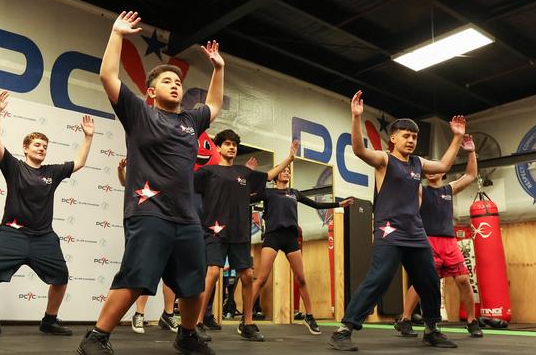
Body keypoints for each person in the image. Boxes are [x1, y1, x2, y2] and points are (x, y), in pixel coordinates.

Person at [77, 10, 224, 355]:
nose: (176, 84)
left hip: (186, 216)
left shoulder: (191, 120)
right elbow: (108, 76)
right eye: (167, 81)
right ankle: (96, 337)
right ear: (151, 91)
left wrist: (219, 68)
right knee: (137, 277)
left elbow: (214, 103)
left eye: (179, 81)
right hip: (148, 211)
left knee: (192, 284)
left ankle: (187, 334)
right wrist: (117, 34)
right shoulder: (140, 113)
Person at [328, 90, 463, 351]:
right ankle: (344, 330)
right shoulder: (384, 159)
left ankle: (432, 329)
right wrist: (356, 118)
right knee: (378, 279)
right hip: (389, 232)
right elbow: (358, 149)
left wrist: (456, 137)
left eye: (414, 137)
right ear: (393, 138)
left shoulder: (417, 163)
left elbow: (444, 166)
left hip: (415, 231)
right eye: (406, 136)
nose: (411, 140)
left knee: (429, 280)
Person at [0, 90, 94, 337]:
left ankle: (49, 320)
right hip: (11, 233)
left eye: (45, 146)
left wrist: (88, 138)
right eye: (37, 145)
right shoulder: (14, 167)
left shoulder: (52, 172)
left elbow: (79, 163)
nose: (42, 149)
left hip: (43, 237)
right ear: (25, 148)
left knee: (61, 277)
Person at [193, 129, 299, 342]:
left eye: (234, 144)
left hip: (240, 233)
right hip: (215, 231)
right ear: (219, 147)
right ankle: (196, 324)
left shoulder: (244, 172)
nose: (232, 147)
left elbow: (269, 175)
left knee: (247, 277)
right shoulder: (207, 172)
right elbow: (184, 187)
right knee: (212, 273)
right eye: (227, 144)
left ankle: (247, 323)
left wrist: (289, 157)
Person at [395, 134, 483, 338]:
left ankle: (472, 321)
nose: (432, 173)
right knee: (422, 282)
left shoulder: (448, 189)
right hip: (428, 241)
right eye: (429, 170)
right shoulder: (419, 190)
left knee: (463, 279)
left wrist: (471, 152)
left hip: (450, 243)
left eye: (437, 169)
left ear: (442, 171)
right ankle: (405, 319)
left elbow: (470, 175)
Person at [252, 165, 354, 335]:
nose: (286, 172)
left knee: (302, 279)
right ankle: (246, 318)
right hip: (273, 236)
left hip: (291, 238)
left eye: (288, 171)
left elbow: (315, 204)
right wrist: (250, 175)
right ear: (276, 175)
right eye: (283, 171)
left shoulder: (294, 192)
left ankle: (309, 315)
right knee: (261, 279)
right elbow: (248, 195)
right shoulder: (268, 193)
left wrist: (339, 204)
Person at [116, 158, 180, 334]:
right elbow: (125, 183)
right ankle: (139, 313)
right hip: (145, 220)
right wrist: (121, 170)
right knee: (145, 269)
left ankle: (168, 314)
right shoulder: (141, 165)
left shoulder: (170, 167)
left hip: (168, 219)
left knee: (170, 270)